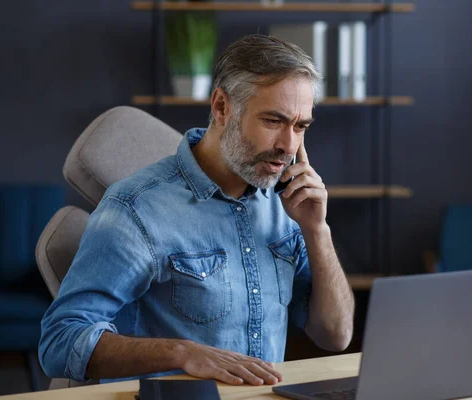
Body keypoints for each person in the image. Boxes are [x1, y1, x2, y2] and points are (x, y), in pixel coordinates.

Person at [39, 33, 355, 386]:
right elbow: (59, 341)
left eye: (300, 127)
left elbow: (335, 336)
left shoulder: (288, 204)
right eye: (273, 121)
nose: (288, 146)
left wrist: (317, 231)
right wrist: (182, 354)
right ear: (221, 108)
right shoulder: (136, 209)